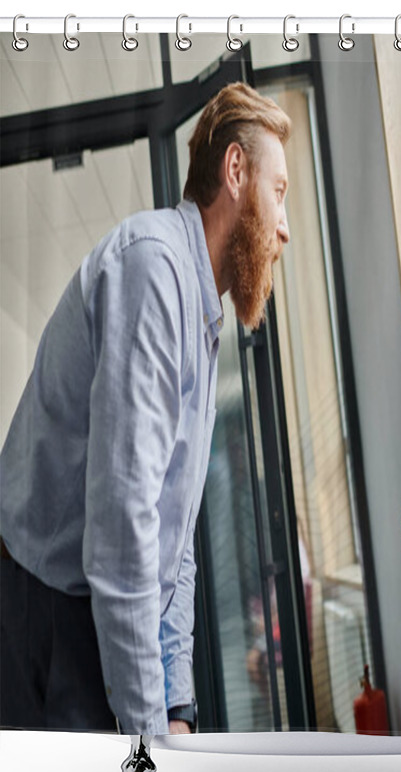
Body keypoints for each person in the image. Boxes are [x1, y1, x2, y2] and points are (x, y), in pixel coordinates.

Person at [0, 82, 291, 736]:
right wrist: (150, 737)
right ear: (235, 171)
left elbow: (174, 535)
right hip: (44, 610)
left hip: (89, 601)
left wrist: (176, 703)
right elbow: (124, 530)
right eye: (279, 194)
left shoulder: (202, 311)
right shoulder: (153, 270)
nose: (285, 228)